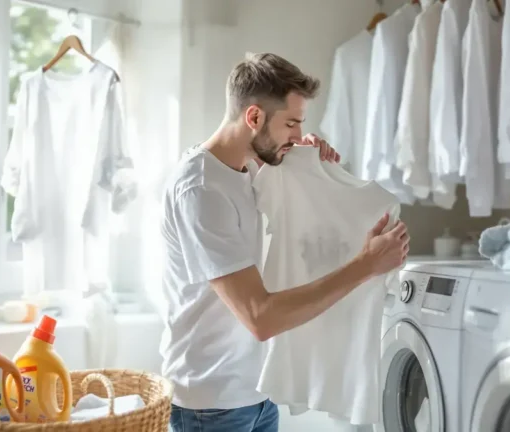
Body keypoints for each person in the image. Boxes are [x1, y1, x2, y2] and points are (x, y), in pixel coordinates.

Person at [159, 52, 410, 432]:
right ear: (254, 117)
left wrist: (303, 161)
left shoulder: (249, 167)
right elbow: (260, 317)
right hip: (210, 405)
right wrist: (365, 266)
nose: (297, 134)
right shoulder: (201, 190)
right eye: (290, 122)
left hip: (256, 395)